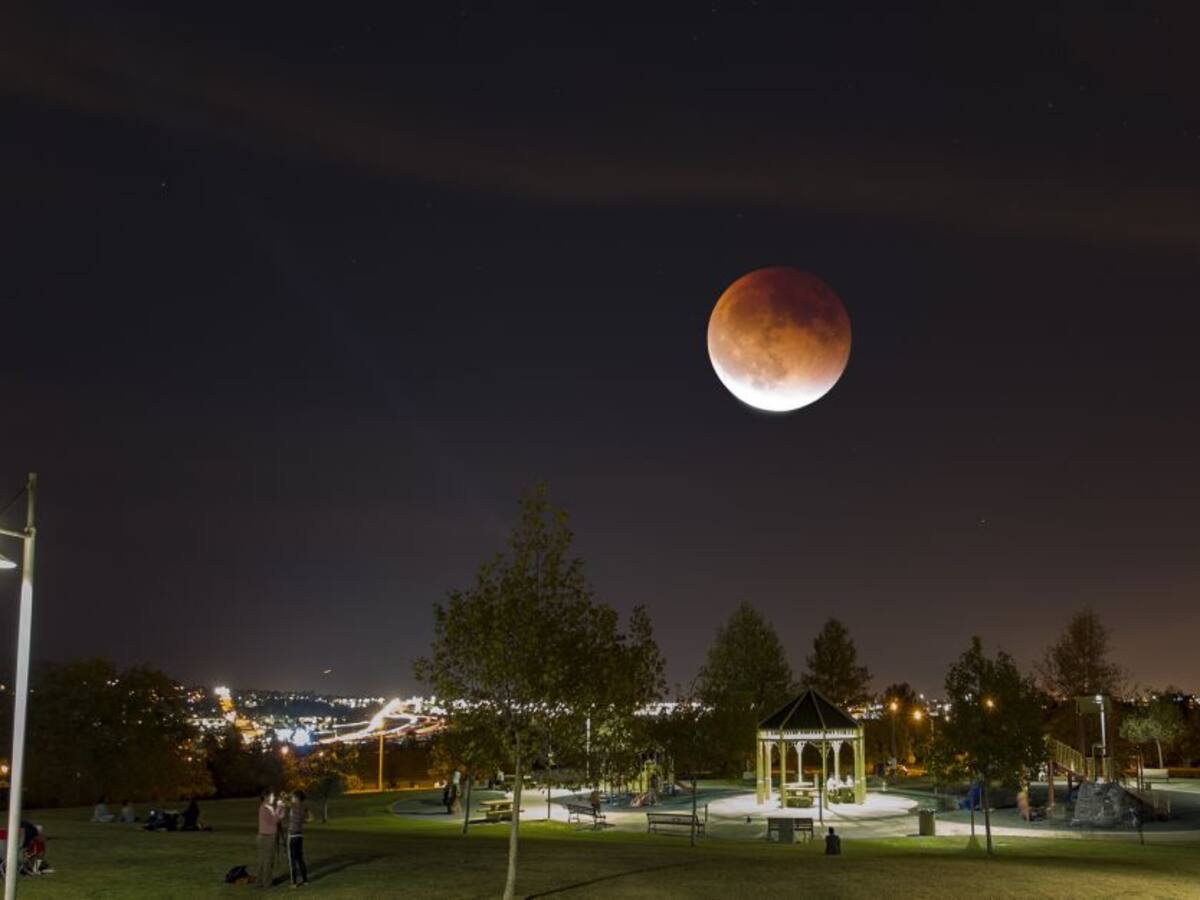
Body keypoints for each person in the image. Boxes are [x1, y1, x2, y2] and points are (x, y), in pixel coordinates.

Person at [256, 790, 284, 889]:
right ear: (266, 797)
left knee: (263, 860)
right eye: (272, 796)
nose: (273, 798)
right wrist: (279, 807)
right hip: (267, 836)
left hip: (265, 835)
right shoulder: (265, 809)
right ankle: (267, 883)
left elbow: (279, 818)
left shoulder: (268, 808)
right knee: (268, 860)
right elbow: (274, 820)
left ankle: (260, 882)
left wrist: (280, 808)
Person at [287, 790, 311, 888]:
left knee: (292, 860)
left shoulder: (293, 805)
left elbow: (284, 801)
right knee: (300, 859)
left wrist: (285, 796)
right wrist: (302, 821)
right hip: (300, 835)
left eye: (293, 797)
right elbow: (312, 818)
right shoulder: (304, 807)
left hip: (292, 836)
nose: (292, 798)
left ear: (296, 798)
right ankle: (305, 880)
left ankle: (294, 883)